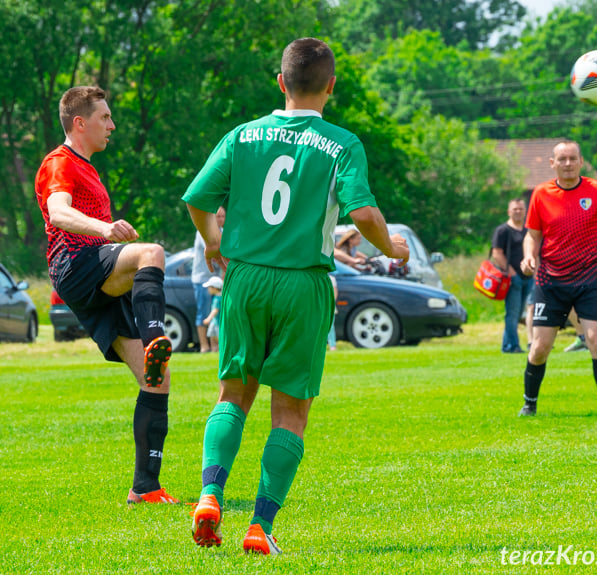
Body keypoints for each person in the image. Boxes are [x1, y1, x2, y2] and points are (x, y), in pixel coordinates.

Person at [183, 37, 410, 555]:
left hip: (244, 279)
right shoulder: (342, 142)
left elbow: (198, 197)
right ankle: (260, 527)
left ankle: (210, 494)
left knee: (233, 393)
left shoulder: (243, 135)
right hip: (302, 283)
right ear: (331, 86)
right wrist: (392, 247)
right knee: (290, 412)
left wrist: (213, 241)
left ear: (281, 82)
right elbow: (365, 215)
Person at [34, 85, 178, 505]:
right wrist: (105, 229)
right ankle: (156, 338)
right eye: (105, 118)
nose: (112, 125)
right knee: (151, 252)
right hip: (75, 264)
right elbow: (59, 212)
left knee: (157, 379)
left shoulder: (88, 167)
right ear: (80, 123)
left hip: (93, 275)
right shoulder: (59, 163)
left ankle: (145, 487)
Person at [519, 141, 597, 417]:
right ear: (552, 163)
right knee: (540, 347)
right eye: (562, 159)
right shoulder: (541, 194)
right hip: (549, 282)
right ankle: (529, 404)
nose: (568, 163)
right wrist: (528, 257)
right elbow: (532, 235)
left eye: (573, 158)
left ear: (580, 162)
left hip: (588, 281)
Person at [492, 198, 534, 353]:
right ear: (509, 211)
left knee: (517, 315)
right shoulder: (503, 230)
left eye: (521, 209)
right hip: (512, 279)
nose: (518, 212)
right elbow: (497, 253)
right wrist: (513, 274)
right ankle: (513, 345)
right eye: (515, 209)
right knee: (512, 313)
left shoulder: (527, 230)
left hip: (528, 278)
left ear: (525, 211)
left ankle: (507, 345)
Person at [192, 207, 226, 352]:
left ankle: (216, 346)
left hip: (216, 279)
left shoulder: (224, 232)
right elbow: (214, 247)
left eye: (223, 216)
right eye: (217, 216)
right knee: (204, 312)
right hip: (202, 279)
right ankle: (204, 346)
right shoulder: (203, 230)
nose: (221, 219)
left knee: (217, 312)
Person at [201, 276, 223, 351]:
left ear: (214, 288)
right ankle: (215, 348)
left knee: (219, 337)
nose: (208, 289)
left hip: (217, 323)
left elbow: (215, 310)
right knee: (212, 335)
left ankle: (219, 348)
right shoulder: (221, 297)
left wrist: (208, 319)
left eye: (209, 287)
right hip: (215, 322)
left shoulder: (217, 299)